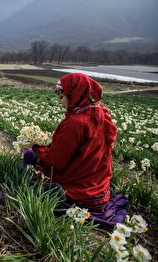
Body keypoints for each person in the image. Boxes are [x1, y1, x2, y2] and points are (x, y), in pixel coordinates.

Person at [26, 73, 120, 213]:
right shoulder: (100, 114)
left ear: (74, 95)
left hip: (79, 193)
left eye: (62, 97)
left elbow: (57, 161)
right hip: (99, 190)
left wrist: (37, 146)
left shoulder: (75, 123)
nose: (60, 102)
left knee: (29, 157)